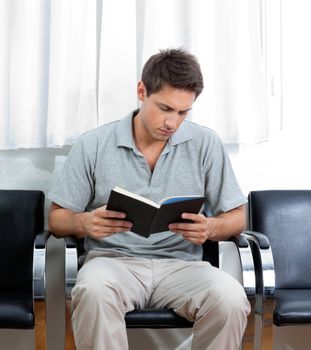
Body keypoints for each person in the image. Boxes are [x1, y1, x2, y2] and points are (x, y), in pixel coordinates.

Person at [48, 48, 250, 350]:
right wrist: (84, 222)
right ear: (142, 91)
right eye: (165, 108)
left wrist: (210, 228)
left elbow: (238, 215)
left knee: (231, 299)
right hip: (113, 262)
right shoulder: (94, 144)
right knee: (92, 290)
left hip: (182, 266)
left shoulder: (205, 143)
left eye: (183, 113)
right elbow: (56, 218)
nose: (173, 122)